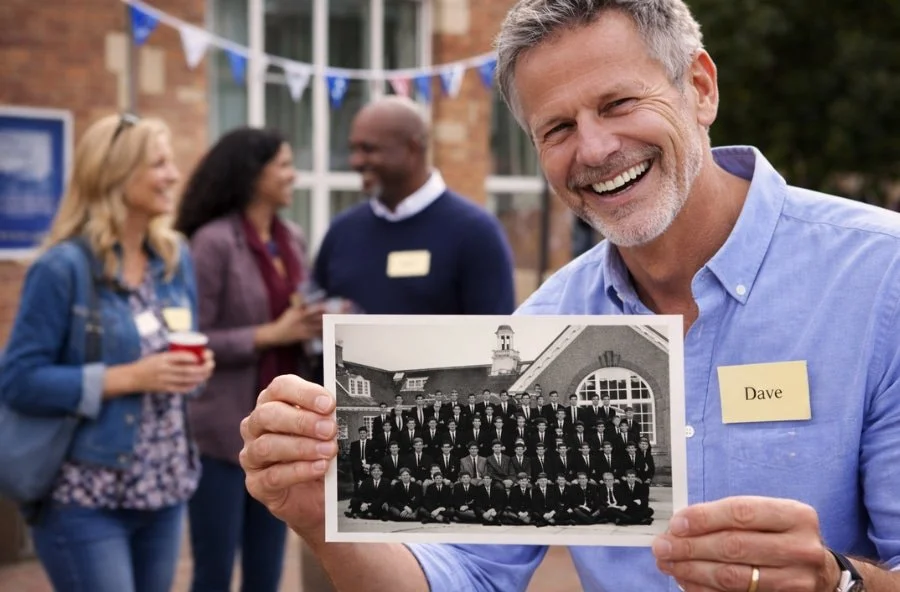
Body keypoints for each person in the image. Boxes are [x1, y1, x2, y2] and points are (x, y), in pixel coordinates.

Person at [238, 0, 900, 590]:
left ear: (699, 87)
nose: (596, 148)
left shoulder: (879, 277)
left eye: (618, 104)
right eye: (557, 129)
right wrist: (319, 516)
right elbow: (466, 574)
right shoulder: (548, 325)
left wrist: (837, 582)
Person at [0, 113, 214, 592]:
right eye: (159, 164)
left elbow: (177, 363)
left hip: (165, 489)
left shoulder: (175, 260)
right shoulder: (62, 269)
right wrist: (129, 377)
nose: (174, 176)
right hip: (85, 498)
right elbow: (17, 379)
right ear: (115, 173)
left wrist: (192, 372)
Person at [174, 127, 328, 592]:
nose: (292, 174)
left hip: (279, 424)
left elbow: (292, 313)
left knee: (266, 570)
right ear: (252, 173)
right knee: (215, 571)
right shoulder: (213, 242)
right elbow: (193, 338)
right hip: (221, 433)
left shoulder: (292, 238)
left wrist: (315, 323)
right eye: (282, 164)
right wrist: (270, 334)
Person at [312, 95, 516, 316]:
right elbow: (314, 318)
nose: (356, 161)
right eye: (354, 149)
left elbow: (494, 336)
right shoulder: (342, 231)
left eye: (368, 149)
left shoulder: (476, 233)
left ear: (412, 149)